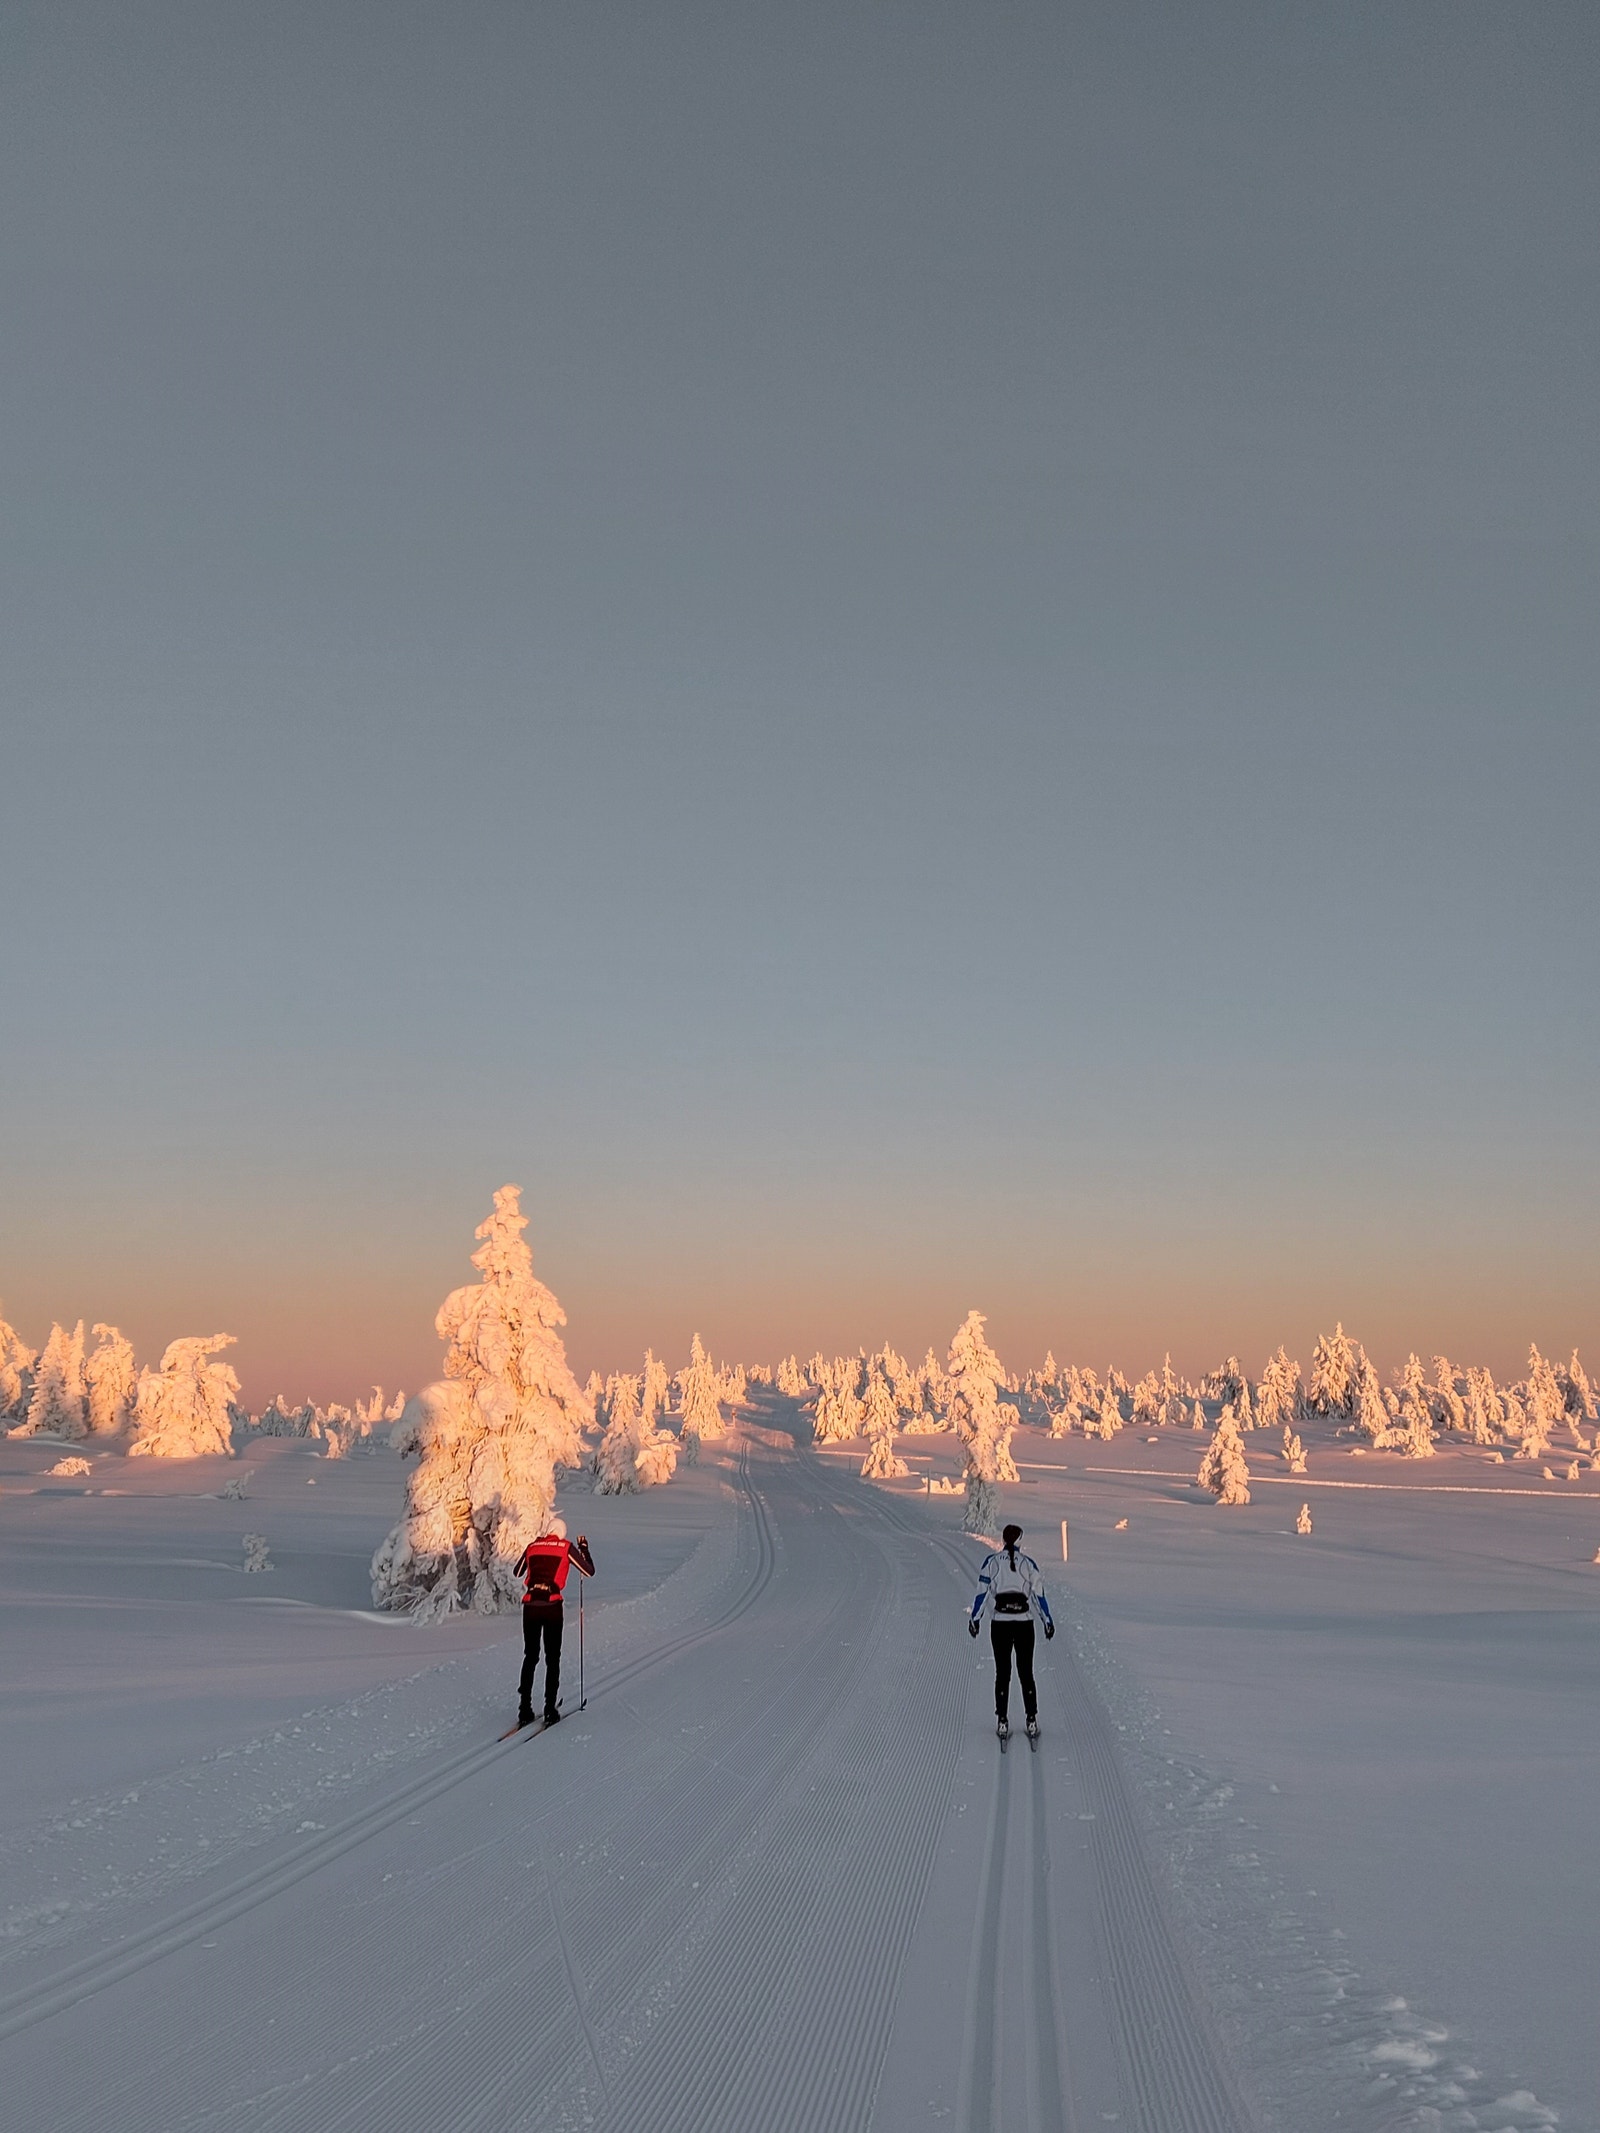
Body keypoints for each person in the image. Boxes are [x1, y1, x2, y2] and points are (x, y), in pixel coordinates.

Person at [967, 1521, 1053, 1740]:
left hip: (1000, 1625)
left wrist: (975, 1619)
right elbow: (1038, 1596)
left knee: (1002, 1673)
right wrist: (1047, 1621)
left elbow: (982, 1594)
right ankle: (1031, 1719)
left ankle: (1002, 1721)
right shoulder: (1028, 1564)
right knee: (1026, 1673)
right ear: (1020, 1541)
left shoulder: (992, 1562)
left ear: (1004, 1540)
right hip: (1024, 1624)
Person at [515, 1517, 595, 1727]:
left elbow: (517, 1571)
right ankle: (550, 1709)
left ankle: (524, 1709)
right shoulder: (565, 1547)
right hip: (551, 1606)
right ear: (561, 1532)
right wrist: (584, 1548)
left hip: (530, 1605)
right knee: (552, 1658)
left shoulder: (533, 1546)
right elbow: (588, 1570)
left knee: (530, 1656)